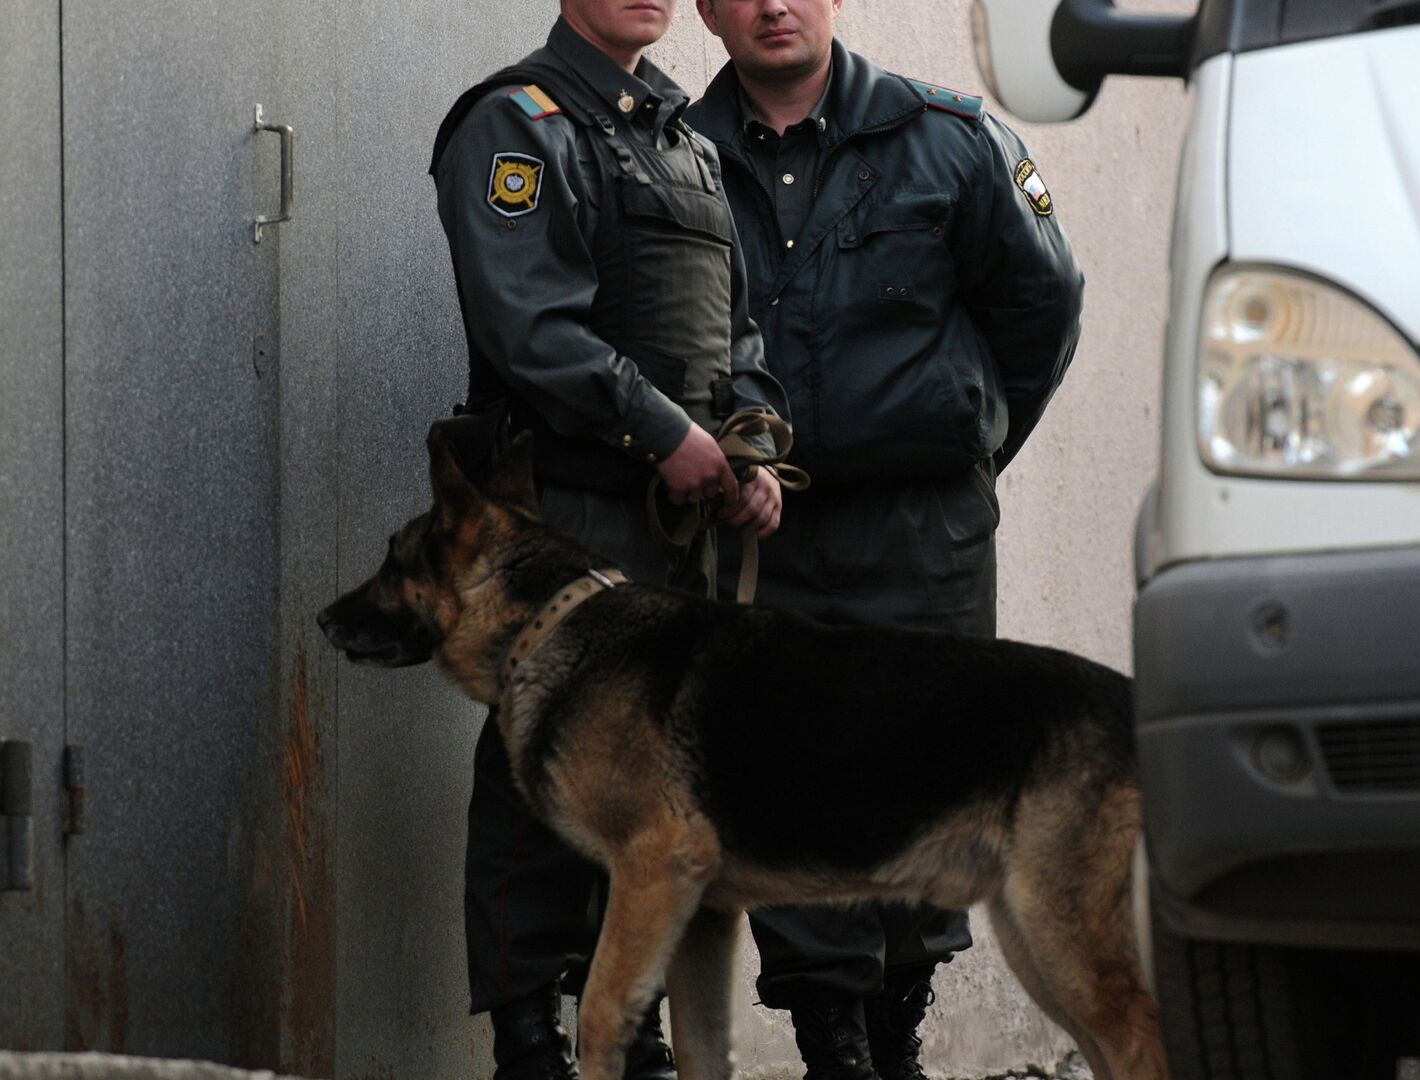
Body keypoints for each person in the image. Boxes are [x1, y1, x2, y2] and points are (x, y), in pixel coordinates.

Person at [685, 3, 1086, 1079]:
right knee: (785, 790)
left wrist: (967, 444)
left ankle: (895, 1026)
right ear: (708, 11)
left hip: (923, 533)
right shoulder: (679, 155)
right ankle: (834, 1048)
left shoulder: (948, 138)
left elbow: (1042, 311)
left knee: (930, 780)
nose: (775, 4)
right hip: (769, 537)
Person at [428, 2, 787, 1077]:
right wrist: (662, 430)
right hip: (564, 509)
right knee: (543, 767)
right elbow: (527, 324)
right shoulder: (517, 121)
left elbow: (740, 325)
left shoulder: (679, 134)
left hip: (680, 521)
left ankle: (618, 1024)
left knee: (653, 779)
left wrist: (755, 444)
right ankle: (528, 1031)